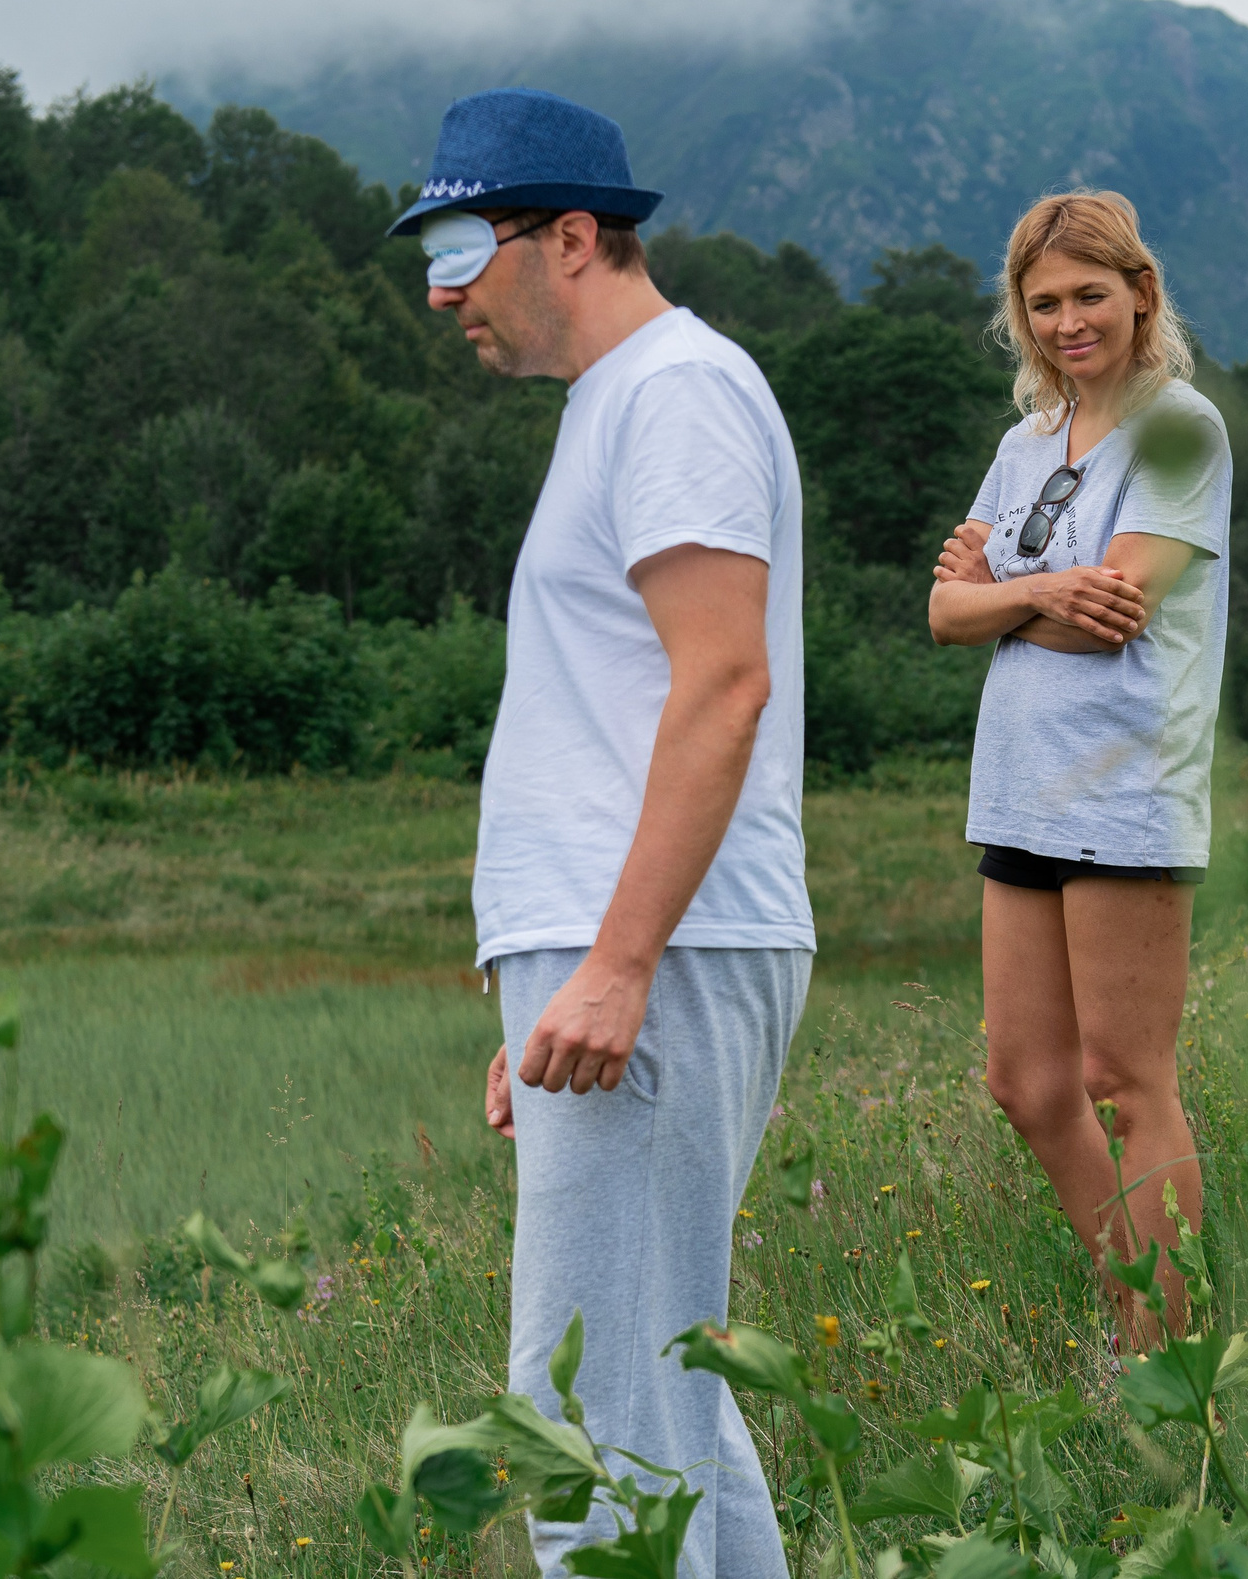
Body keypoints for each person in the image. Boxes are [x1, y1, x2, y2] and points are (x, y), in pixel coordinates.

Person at [406, 88, 812, 1579]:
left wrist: (618, 960)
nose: (442, 291)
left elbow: (722, 680)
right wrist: (547, 975)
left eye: (460, 243)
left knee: (579, 1411)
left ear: (570, 235)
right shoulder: (620, 404)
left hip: (667, 944)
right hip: (616, 947)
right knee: (663, 1391)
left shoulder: (675, 392)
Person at [927, 191, 1230, 1344]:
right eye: (1042, 302)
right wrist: (1040, 592)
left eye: (1089, 295)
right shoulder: (1024, 445)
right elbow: (945, 613)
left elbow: (1118, 611)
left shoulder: (1179, 430)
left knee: (1120, 1077)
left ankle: (1164, 1349)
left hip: (1122, 783)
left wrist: (1005, 596)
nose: (1067, 322)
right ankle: (1137, 1309)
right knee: (1028, 1082)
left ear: (1140, 295)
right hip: (1017, 783)